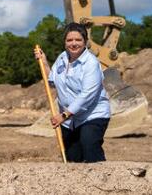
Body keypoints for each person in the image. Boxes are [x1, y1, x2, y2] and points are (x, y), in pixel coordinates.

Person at [34, 22, 111, 162]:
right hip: (69, 120)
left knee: (89, 145)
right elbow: (51, 81)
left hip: (92, 115)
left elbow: (87, 95)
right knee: (73, 158)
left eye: (78, 40)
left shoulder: (91, 63)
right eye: (70, 40)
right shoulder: (62, 58)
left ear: (85, 42)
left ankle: (102, 180)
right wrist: (44, 62)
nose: (74, 43)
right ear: (64, 42)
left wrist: (64, 115)